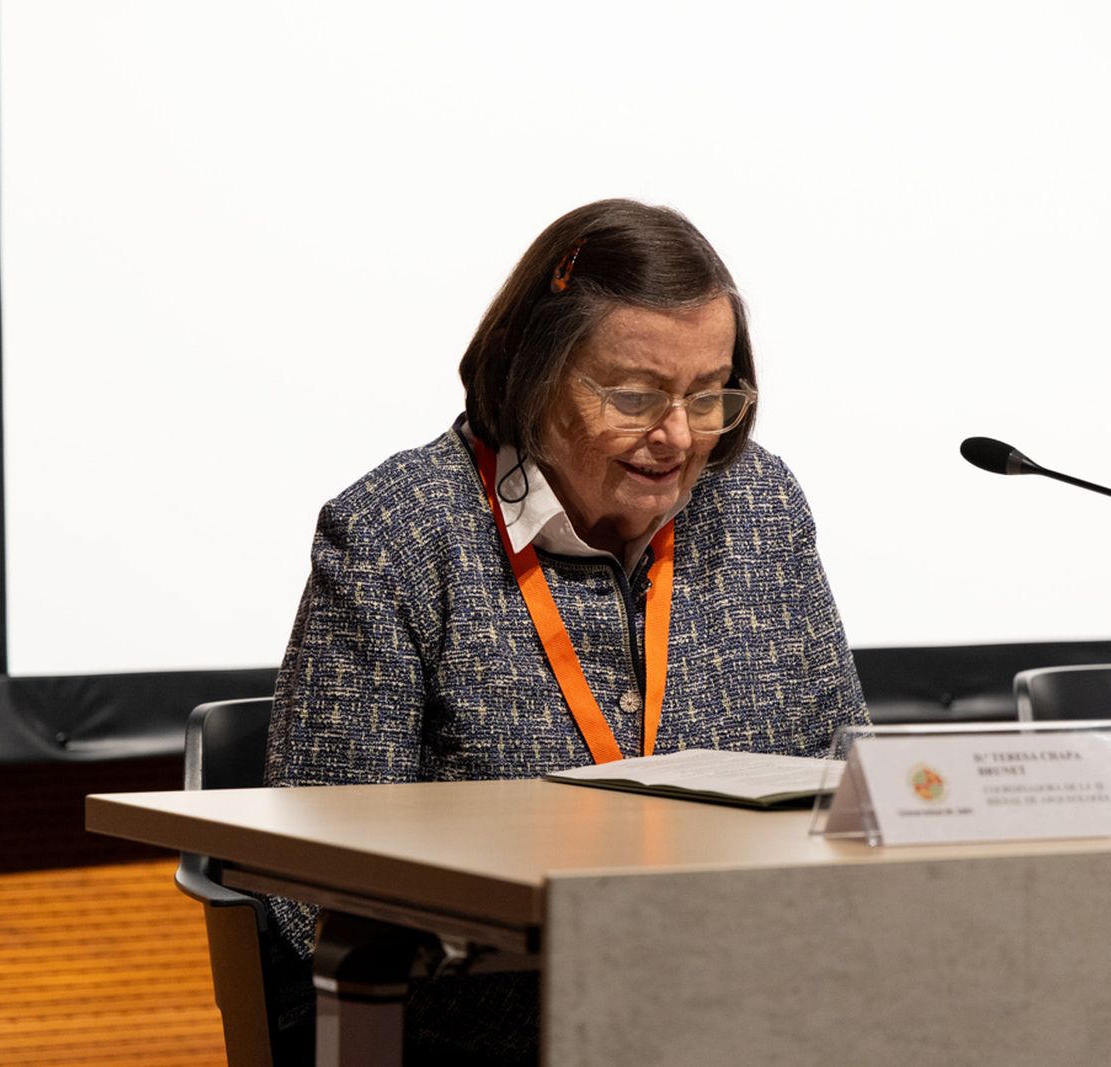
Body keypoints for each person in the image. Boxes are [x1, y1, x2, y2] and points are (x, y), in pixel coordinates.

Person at [263, 198, 868, 1062]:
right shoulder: (398, 532)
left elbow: (853, 783)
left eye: (709, 396)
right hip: (498, 1031)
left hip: (753, 1012)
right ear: (532, 372)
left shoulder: (760, 506)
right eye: (635, 396)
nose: (676, 436)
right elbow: (313, 874)